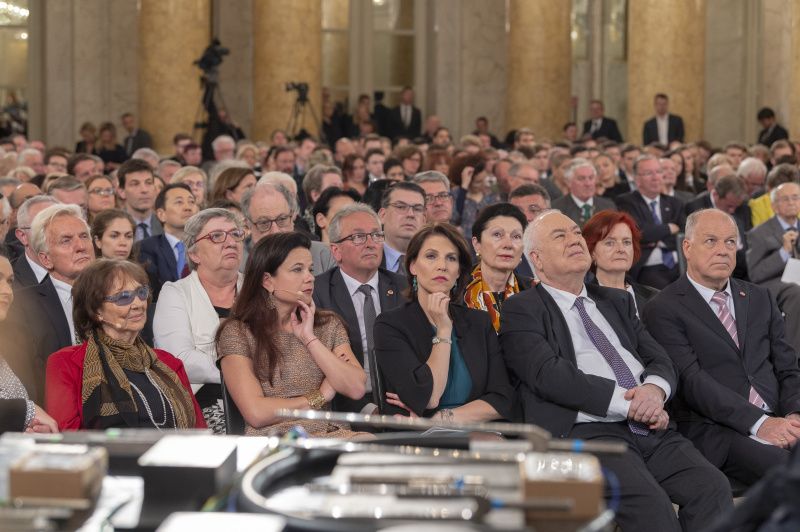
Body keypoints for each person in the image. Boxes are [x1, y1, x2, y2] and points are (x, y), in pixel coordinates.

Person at [498, 211, 733, 531]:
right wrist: (633, 404)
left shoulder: (616, 301)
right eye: (559, 236)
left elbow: (660, 359)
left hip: (652, 428)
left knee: (712, 487)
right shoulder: (521, 308)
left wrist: (655, 392)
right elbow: (548, 375)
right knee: (653, 508)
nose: (574, 239)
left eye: (576, 232)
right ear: (536, 258)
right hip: (588, 433)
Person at [643, 209, 800, 487]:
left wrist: (793, 416)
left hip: (779, 417)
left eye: (730, 242)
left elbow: (787, 367)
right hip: (721, 429)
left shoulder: (759, 296)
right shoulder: (663, 308)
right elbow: (693, 382)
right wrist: (759, 423)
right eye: (711, 241)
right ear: (687, 248)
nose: (723, 251)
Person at [216, 231, 367, 436]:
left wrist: (310, 339)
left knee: (373, 449)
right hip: (276, 440)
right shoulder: (238, 333)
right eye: (298, 269)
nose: (310, 278)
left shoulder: (327, 325)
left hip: (332, 434)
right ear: (268, 281)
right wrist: (319, 396)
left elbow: (356, 387)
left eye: (310, 269)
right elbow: (256, 412)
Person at [373, 222, 515, 421]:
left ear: (458, 271)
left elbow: (503, 399)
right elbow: (429, 398)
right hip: (416, 439)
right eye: (431, 256)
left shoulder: (479, 322)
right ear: (413, 266)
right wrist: (443, 329)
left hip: (476, 430)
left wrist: (443, 418)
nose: (442, 265)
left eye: (451, 258)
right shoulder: (390, 325)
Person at [45, 259, 205, 431]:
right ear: (97, 310)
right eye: (123, 297)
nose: (138, 304)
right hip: (112, 456)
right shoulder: (65, 363)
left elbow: (199, 430)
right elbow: (68, 437)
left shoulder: (169, 363)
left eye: (141, 293)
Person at [154, 209, 245, 433]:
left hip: (264, 397)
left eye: (235, 234)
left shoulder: (260, 289)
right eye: (216, 236)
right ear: (194, 254)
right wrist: (242, 370)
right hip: (204, 403)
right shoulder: (176, 293)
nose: (230, 242)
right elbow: (179, 359)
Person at [313, 203, 407, 413]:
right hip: (343, 404)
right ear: (335, 250)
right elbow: (321, 370)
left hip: (401, 400)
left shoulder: (404, 288)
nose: (370, 243)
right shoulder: (316, 293)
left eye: (376, 235)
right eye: (358, 237)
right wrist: (368, 410)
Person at [0, 246, 59, 434]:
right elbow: (28, 410)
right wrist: (26, 412)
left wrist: (32, 429)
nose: (7, 291)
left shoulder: (13, 342)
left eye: (10, 282)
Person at [615, 155, 685, 289]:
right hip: (648, 266)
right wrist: (670, 228)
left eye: (658, 172)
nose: (655, 177)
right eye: (649, 173)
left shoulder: (675, 203)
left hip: (678, 263)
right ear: (636, 179)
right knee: (665, 293)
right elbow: (640, 232)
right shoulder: (626, 201)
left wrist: (659, 242)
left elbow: (684, 234)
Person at [745, 182, 800, 354]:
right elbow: (755, 273)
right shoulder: (759, 233)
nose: (791, 202)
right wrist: (784, 252)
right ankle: (793, 358)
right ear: (774, 206)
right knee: (797, 292)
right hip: (774, 283)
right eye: (785, 199)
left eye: (795, 197)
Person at [240, 182, 336, 275]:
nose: (275, 231)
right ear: (248, 224)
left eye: (282, 219)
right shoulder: (237, 263)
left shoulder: (324, 256)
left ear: (293, 216)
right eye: (264, 223)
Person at [465, 203, 534, 331]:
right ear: (476, 244)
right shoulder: (456, 290)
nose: (508, 244)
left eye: (516, 236)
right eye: (497, 234)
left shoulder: (536, 292)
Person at [583, 210, 658, 317]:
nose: (621, 249)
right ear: (591, 252)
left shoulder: (654, 297)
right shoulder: (583, 300)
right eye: (610, 243)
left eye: (626, 242)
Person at [138, 184, 199, 299]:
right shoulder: (147, 247)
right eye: (179, 202)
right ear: (162, 214)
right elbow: (152, 290)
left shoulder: (207, 245)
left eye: (191, 202)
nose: (188, 207)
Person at [10, 195, 59, 288]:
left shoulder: (83, 272)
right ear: (22, 236)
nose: (54, 233)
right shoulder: (8, 280)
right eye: (42, 228)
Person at [551, 158, 616, 228]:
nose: (588, 184)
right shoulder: (556, 209)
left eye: (591, 178)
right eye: (581, 178)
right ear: (568, 182)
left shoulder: (608, 207)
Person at [378, 182, 426, 274]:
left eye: (417, 209)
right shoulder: (366, 257)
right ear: (383, 215)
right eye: (401, 207)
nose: (410, 214)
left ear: (424, 219)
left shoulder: (436, 261)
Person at [450, 153, 499, 242]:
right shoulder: (455, 194)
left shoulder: (491, 197)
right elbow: (455, 216)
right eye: (478, 182)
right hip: (463, 243)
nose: (484, 184)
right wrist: (464, 188)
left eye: (485, 178)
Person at [118, 159, 162, 242]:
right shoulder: (112, 227)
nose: (144, 190)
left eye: (149, 183)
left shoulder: (165, 225)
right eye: (135, 184)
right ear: (122, 191)